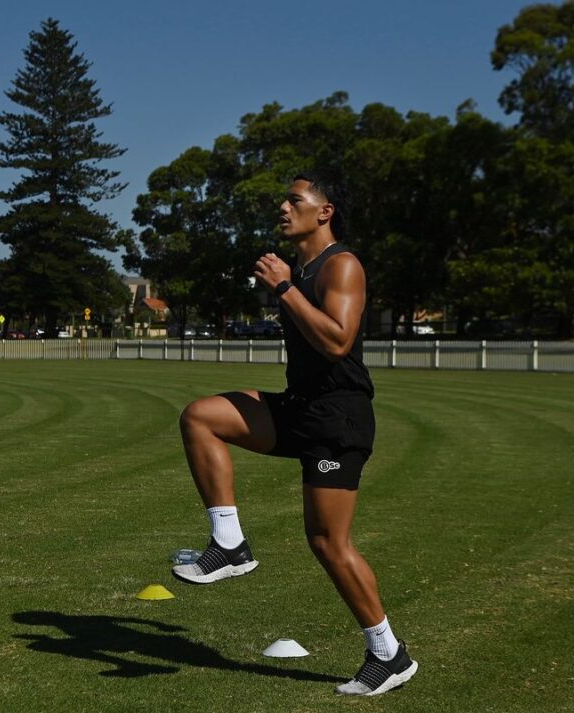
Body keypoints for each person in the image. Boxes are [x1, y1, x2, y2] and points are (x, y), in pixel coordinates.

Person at [172, 173, 418, 696]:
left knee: (328, 543)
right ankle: (230, 544)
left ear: (324, 212)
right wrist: (288, 282)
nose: (283, 207)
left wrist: (284, 287)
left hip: (338, 417)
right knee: (201, 417)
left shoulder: (342, 265)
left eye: (295, 200)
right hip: (300, 405)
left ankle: (389, 654)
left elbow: (337, 341)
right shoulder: (303, 268)